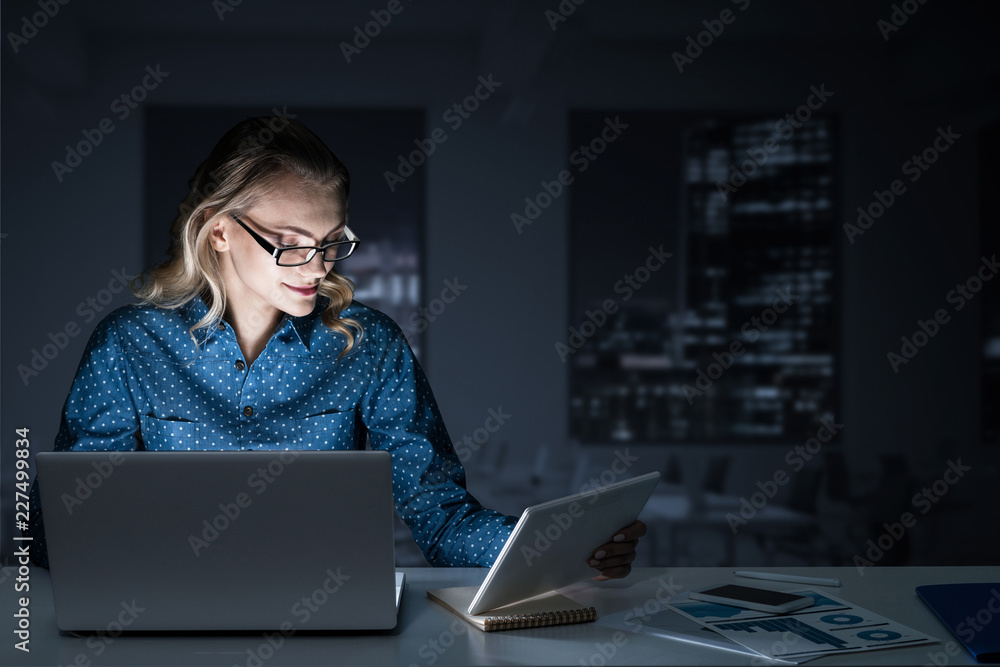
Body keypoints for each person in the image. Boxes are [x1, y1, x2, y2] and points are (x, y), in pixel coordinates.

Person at [28, 116, 646, 577]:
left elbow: (439, 514)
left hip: (325, 616)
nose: (316, 267)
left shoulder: (368, 345)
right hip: (158, 618)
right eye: (291, 243)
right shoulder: (130, 344)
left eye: (330, 242)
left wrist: (554, 548)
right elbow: (69, 526)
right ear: (218, 231)